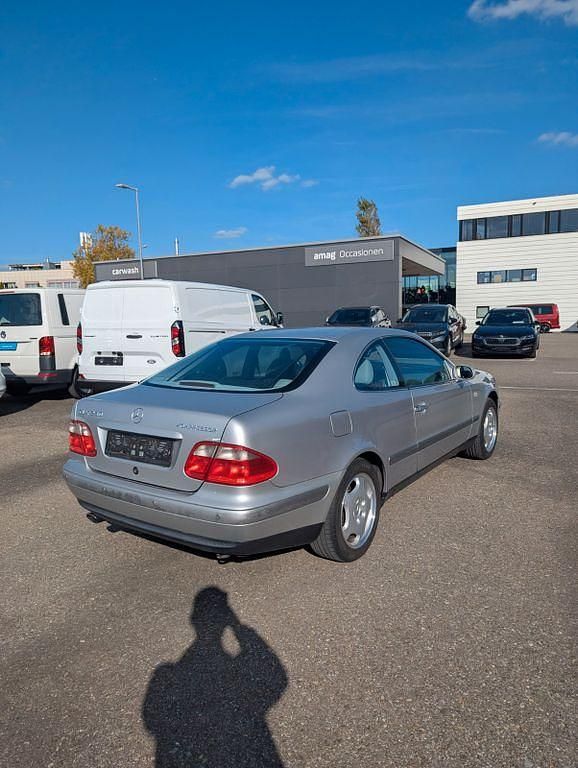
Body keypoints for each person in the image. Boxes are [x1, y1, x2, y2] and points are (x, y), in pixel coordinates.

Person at [143, 587, 288, 768]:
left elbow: (152, 720)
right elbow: (277, 679)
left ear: (193, 620)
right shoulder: (167, 674)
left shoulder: (165, 674)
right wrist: (238, 627)